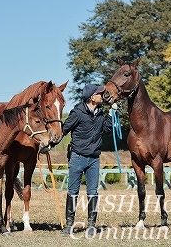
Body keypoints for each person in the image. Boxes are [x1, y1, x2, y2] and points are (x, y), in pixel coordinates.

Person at [60, 84, 115, 237]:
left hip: (94, 159)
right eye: (100, 93)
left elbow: (106, 130)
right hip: (77, 157)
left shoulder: (100, 113)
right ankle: (69, 225)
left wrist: (111, 115)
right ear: (92, 97)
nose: (102, 95)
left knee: (93, 192)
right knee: (73, 192)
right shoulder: (77, 112)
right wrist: (50, 144)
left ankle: (91, 225)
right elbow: (64, 130)